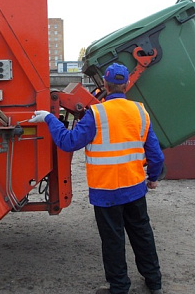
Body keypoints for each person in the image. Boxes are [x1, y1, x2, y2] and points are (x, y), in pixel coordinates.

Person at [29, 62, 164, 294]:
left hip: (106, 191)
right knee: (142, 234)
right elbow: (156, 155)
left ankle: (120, 287)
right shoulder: (140, 112)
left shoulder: (97, 114)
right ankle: (154, 282)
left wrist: (48, 119)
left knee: (113, 240)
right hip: (134, 187)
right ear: (126, 85)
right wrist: (152, 178)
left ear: (106, 86)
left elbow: (68, 142)